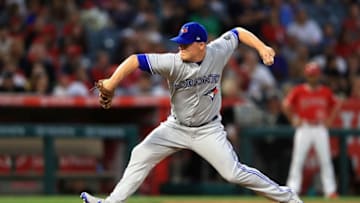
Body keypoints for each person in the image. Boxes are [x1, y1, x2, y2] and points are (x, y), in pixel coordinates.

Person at [80, 22, 302, 203]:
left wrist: (262, 48)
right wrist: (112, 83)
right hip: (175, 127)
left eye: (186, 44)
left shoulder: (217, 51)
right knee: (140, 154)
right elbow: (134, 60)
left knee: (232, 173)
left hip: (208, 129)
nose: (181, 47)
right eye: (180, 43)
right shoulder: (172, 62)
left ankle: (288, 198)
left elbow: (238, 32)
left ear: (202, 45)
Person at [283, 62, 340, 198]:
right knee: (298, 159)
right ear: (306, 76)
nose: (312, 78)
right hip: (304, 127)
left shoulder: (325, 91)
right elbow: (286, 104)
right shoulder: (299, 90)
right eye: (310, 75)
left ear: (318, 75)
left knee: (325, 160)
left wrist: (330, 120)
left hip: (320, 127)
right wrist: (293, 119)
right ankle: (292, 189)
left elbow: (336, 104)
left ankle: (330, 190)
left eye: (314, 75)